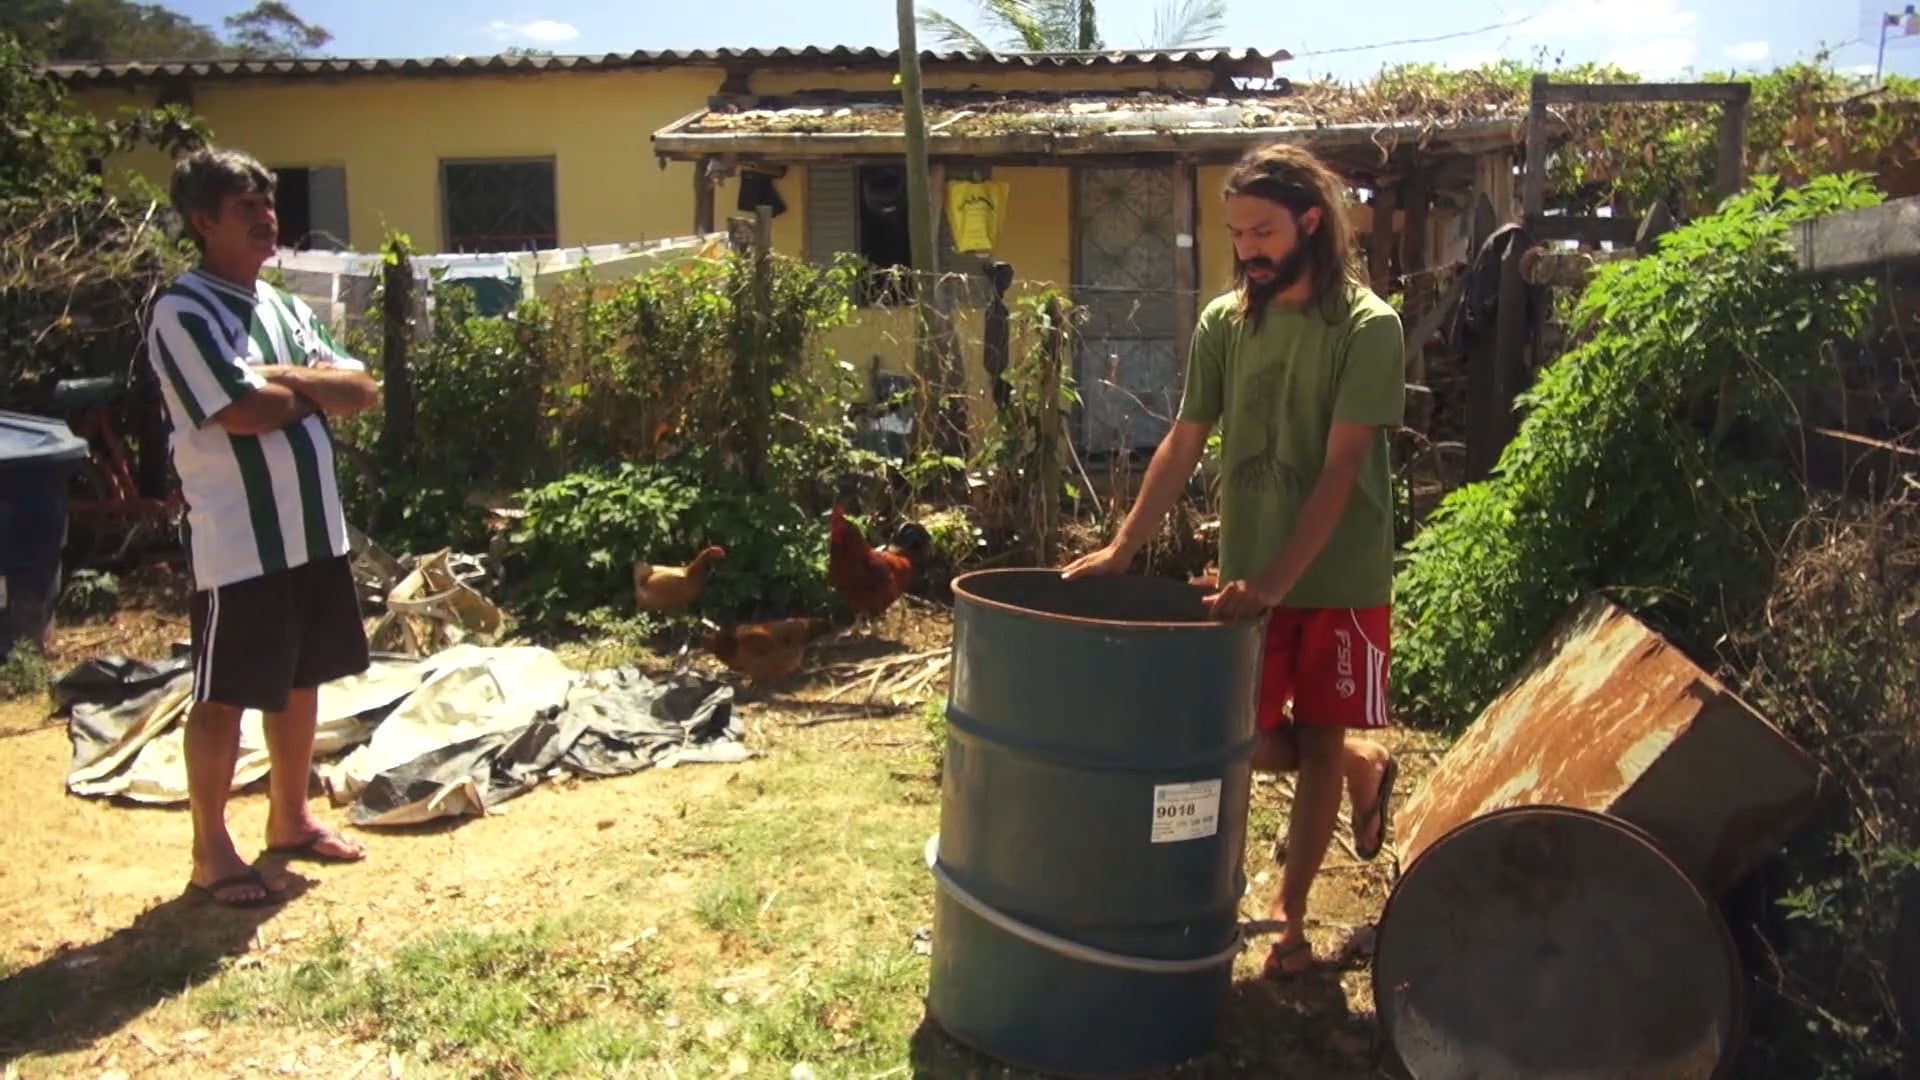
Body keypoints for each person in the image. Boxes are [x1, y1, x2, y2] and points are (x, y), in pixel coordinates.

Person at [1062, 143, 1402, 978]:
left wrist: (1278, 583)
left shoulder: (1368, 328)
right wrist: (1123, 547)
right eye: (1236, 234)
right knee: (1229, 738)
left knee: (1316, 741)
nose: (1247, 248)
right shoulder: (1225, 322)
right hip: (1250, 573)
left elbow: (1341, 469)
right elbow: (1183, 441)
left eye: (1263, 231)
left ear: (1311, 223)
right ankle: (1362, 766)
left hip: (1340, 577)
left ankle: (1290, 918)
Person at [145, 147, 381, 907]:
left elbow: (362, 388)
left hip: (314, 534)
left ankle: (289, 817)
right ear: (202, 222)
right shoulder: (183, 312)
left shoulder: (284, 307)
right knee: (224, 695)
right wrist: (306, 390)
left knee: (300, 680)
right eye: (245, 208)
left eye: (268, 204)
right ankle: (210, 850)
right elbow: (244, 413)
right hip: (240, 541)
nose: (266, 218)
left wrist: (282, 378)